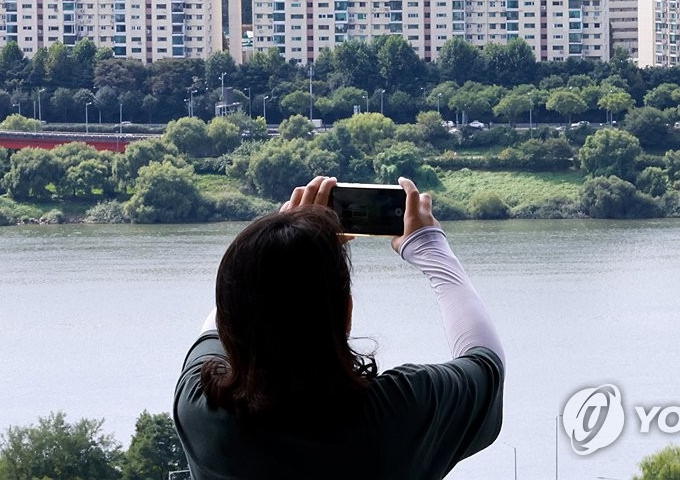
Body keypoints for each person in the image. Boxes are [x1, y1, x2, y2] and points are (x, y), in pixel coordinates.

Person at [173, 175, 504, 480]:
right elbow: (486, 361)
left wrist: (278, 242)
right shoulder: (399, 413)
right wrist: (429, 247)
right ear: (346, 313)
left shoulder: (203, 412)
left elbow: (223, 318)